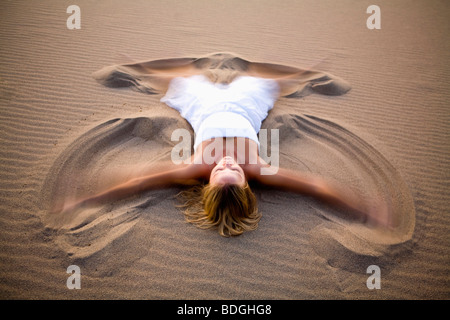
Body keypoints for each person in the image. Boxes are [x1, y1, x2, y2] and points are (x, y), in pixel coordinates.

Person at [55, 54, 389, 236]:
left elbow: (139, 181)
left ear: (206, 183)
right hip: (247, 108)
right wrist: (364, 210)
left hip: (204, 109)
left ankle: (135, 69)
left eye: (220, 172)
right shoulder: (259, 169)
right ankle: (309, 78)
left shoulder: (195, 167)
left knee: (184, 80)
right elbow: (315, 185)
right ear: (248, 184)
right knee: (261, 83)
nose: (226, 164)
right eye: (234, 172)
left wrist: (90, 197)